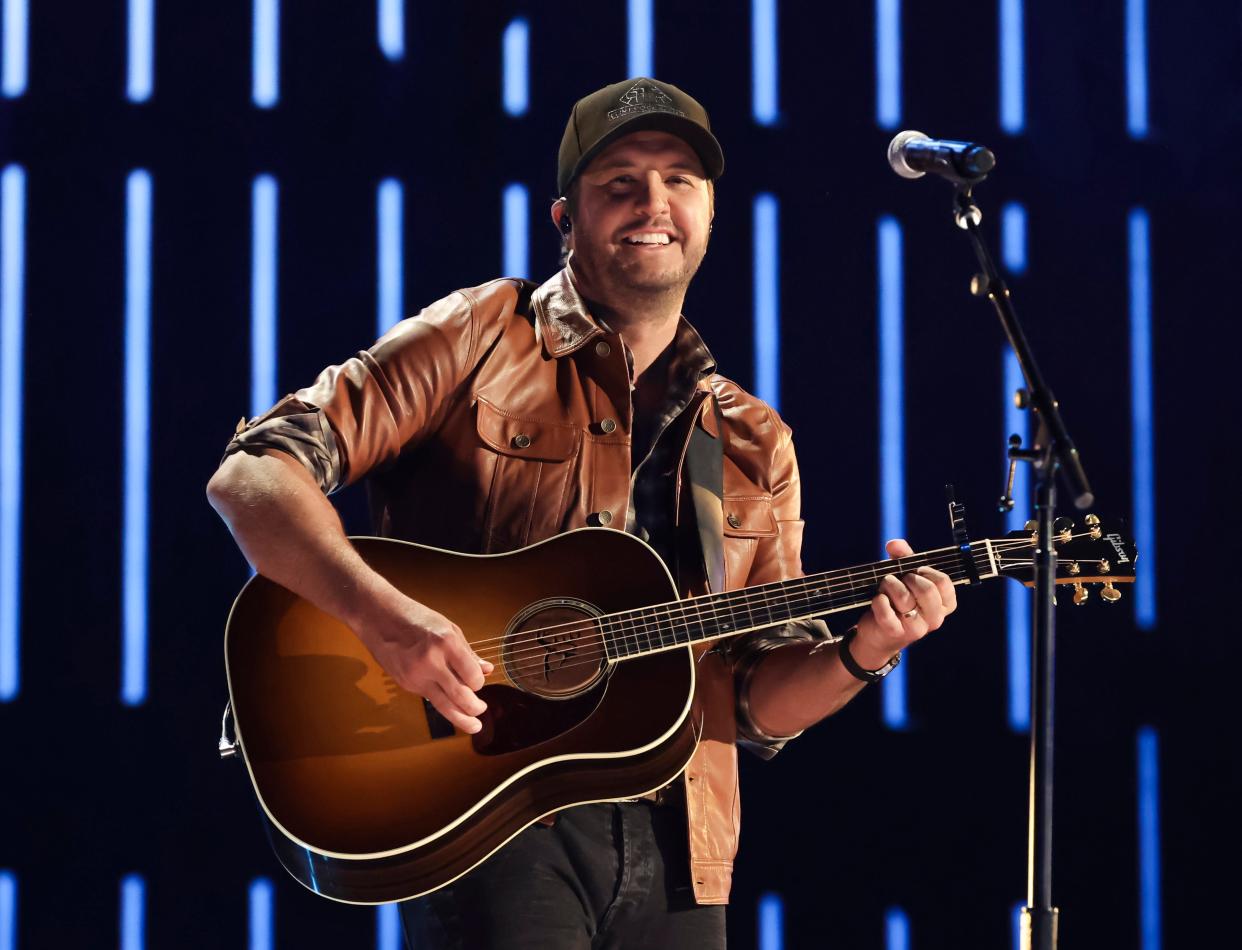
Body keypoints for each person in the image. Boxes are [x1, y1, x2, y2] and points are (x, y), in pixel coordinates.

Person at [207, 77, 958, 950]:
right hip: (495, 820)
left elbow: (753, 703)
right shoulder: (483, 333)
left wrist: (867, 653)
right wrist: (385, 617)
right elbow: (253, 475)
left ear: (712, 214)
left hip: (684, 854)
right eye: (621, 183)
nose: (654, 204)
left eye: (680, 181)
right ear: (566, 220)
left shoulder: (754, 441)